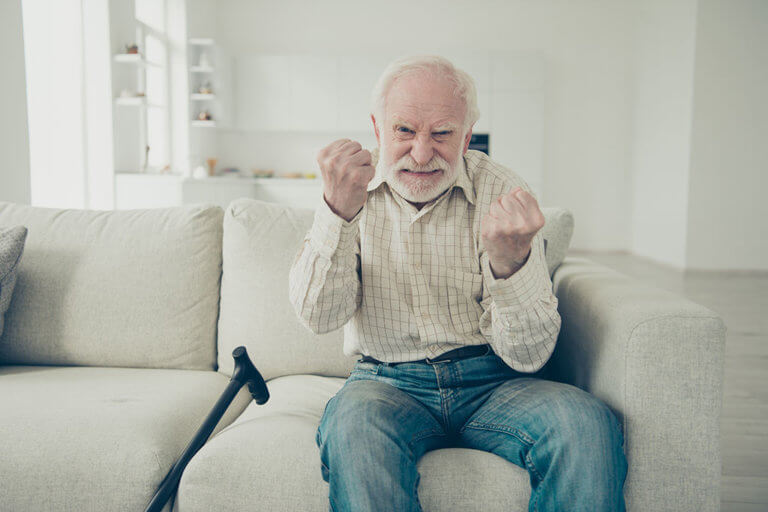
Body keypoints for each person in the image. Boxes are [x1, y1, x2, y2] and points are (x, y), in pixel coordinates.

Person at [288, 55, 627, 512]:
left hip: (494, 380)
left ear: (467, 136)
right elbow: (318, 317)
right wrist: (336, 213)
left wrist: (511, 264)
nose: (422, 153)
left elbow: (529, 355)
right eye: (404, 130)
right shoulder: (350, 190)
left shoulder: (503, 192)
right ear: (378, 128)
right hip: (386, 381)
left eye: (442, 134)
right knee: (353, 428)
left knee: (584, 423)